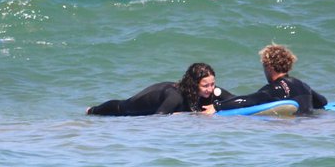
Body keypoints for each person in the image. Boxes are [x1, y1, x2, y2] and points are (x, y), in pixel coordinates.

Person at [216, 44, 327, 115]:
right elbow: (322, 102)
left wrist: (217, 106)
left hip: (291, 128)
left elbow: (248, 100)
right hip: (306, 125)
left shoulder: (276, 88)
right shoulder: (302, 85)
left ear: (269, 67)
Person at [86, 62, 231, 116]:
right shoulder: (175, 97)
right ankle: (93, 110)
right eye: (205, 85)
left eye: (212, 84)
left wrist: (218, 105)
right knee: (122, 107)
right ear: (194, 85)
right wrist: (192, 115)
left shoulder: (212, 92)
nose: (210, 89)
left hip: (165, 99)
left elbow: (235, 99)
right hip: (136, 105)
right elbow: (158, 119)